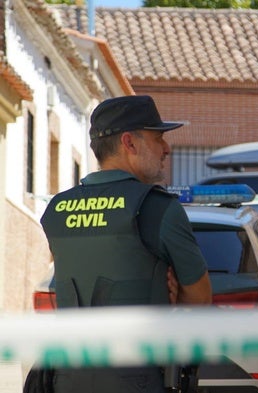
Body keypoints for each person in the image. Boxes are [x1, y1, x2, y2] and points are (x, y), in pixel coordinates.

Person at [40, 95, 212, 393]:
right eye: (159, 138)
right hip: (138, 378)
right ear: (129, 143)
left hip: (67, 377)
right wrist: (169, 296)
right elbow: (200, 298)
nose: (167, 149)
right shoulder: (158, 208)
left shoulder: (57, 209)